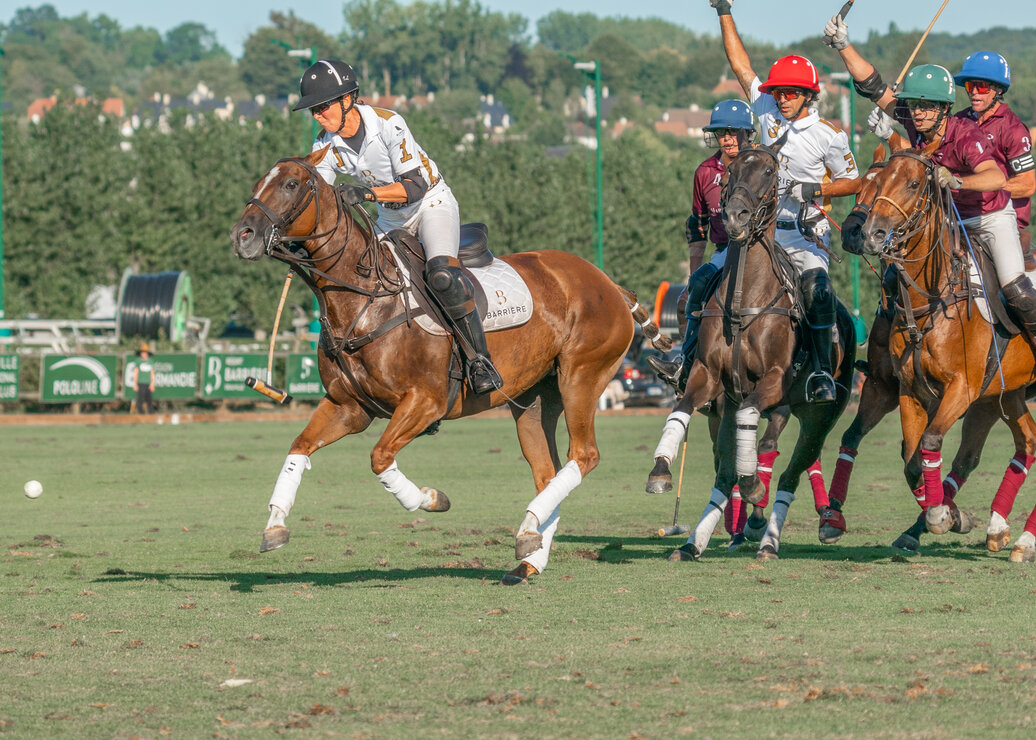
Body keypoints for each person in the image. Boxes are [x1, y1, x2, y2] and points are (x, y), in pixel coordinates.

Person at [821, 16, 1036, 347]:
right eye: (915, 106)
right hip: (949, 219)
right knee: (896, 274)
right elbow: (874, 86)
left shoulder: (968, 132)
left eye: (925, 106)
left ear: (942, 109)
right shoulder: (920, 121)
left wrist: (958, 181)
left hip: (991, 218)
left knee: (1012, 285)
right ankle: (884, 360)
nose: (917, 112)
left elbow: (996, 176)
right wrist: (843, 46)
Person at [293, 59, 501, 394]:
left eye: (322, 107)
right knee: (362, 277)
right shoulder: (324, 144)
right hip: (389, 217)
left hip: (431, 204)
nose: (317, 115)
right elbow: (321, 199)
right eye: (312, 110)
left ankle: (479, 361)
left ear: (347, 100)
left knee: (441, 276)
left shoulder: (390, 124)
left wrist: (367, 193)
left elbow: (415, 185)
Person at [709, 0, 860, 403]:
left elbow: (855, 182)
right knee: (709, 280)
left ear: (808, 96)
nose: (782, 99)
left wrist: (818, 191)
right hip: (760, 235)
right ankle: (689, 358)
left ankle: (823, 373)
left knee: (818, 290)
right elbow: (740, 65)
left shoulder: (829, 135)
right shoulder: (766, 110)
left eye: (791, 93)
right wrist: (724, 10)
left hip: (805, 234)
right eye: (777, 92)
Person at [648, 99, 756, 393]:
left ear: (748, 134)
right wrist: (692, 277)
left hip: (762, 249)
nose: (728, 138)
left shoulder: (760, 166)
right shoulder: (705, 172)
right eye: (722, 132)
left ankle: (816, 365)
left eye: (735, 132)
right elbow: (697, 226)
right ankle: (685, 363)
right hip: (725, 253)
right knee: (694, 291)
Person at [133, 343, 156, 414]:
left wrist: (152, 384)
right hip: (141, 383)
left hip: (148, 383)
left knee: (149, 400)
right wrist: (135, 384)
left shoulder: (151, 361)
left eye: (144, 352)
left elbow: (152, 373)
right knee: (140, 400)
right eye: (142, 352)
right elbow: (136, 373)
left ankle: (151, 414)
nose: (143, 354)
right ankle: (141, 414)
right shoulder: (138, 361)